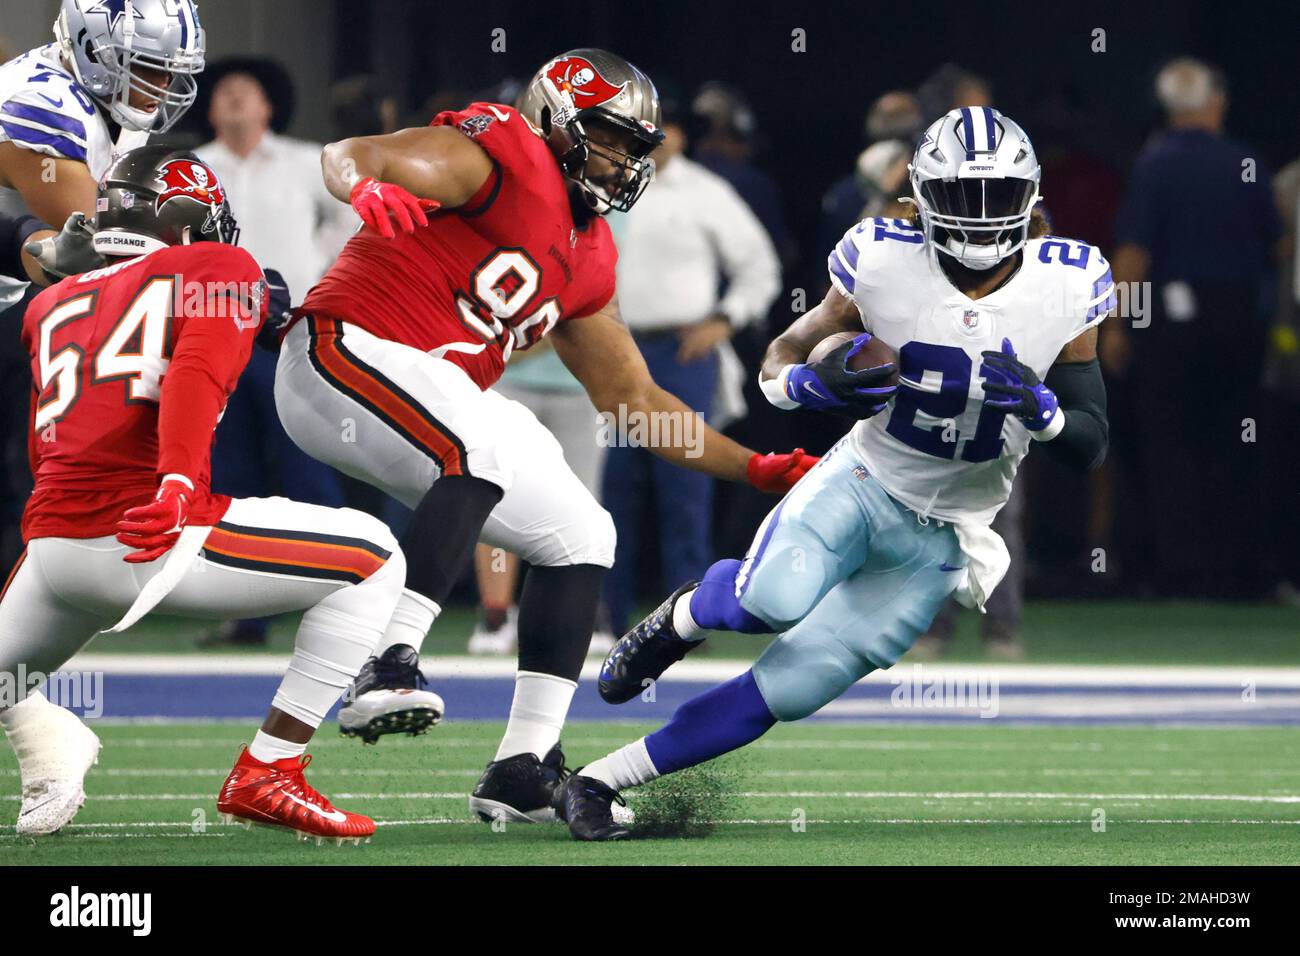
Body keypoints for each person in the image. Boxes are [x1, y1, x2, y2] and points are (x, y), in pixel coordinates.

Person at [272, 49, 815, 823]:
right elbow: (351, 153)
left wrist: (752, 466)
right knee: (481, 445)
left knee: (582, 533)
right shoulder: (499, 152)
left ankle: (522, 765)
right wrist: (363, 187)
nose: (626, 160)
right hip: (340, 350)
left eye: (636, 146)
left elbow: (633, 398)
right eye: (611, 137)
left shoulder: (589, 251)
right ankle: (384, 661)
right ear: (556, 121)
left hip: (430, 399)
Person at [559, 108, 1113, 840]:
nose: (979, 218)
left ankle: (600, 780)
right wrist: (806, 389)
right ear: (919, 196)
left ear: (1030, 197)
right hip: (864, 481)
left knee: (792, 685)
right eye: (961, 196)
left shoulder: (1069, 282)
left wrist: (1045, 416)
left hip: (947, 539)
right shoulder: (881, 257)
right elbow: (779, 359)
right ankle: (683, 616)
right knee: (774, 598)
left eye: (995, 196)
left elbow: (1090, 441)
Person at [0, 146, 410, 841]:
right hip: (151, 536)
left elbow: (58, 438)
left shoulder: (51, 302)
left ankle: (50, 757)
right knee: (375, 556)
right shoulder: (219, 266)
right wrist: (179, 481)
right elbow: (194, 373)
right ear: (191, 226)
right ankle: (270, 767)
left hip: (52, 551)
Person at [0, 0, 205, 832]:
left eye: (169, 74)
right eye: (148, 69)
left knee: (40, 536)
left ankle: (41, 730)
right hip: (27, 334)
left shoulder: (77, 102)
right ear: (92, 49)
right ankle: (42, 731)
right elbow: (97, 247)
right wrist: (221, 277)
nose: (159, 92)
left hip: (30, 336)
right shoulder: (41, 101)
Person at [1103, 58, 1281, 598]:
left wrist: (1119, 323)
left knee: (1170, 445)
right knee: (1236, 440)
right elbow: (1279, 244)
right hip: (1239, 323)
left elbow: (1134, 254)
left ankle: (1180, 569)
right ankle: (1235, 569)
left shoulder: (1155, 164)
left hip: (1170, 329)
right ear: (1212, 102)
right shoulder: (1246, 161)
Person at [601, 101, 780, 636]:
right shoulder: (600, 181)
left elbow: (759, 267)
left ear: (678, 135)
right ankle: (604, 618)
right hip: (608, 349)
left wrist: (725, 319)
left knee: (685, 488)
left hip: (681, 353)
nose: (657, 137)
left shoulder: (706, 192)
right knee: (608, 489)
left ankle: (688, 623)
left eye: (666, 128)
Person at [195, 57, 353, 648]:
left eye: (248, 91)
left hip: (290, 333)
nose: (235, 98)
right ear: (210, 108)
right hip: (213, 335)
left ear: (268, 107)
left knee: (308, 462)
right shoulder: (193, 169)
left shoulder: (306, 161)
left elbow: (355, 218)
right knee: (229, 474)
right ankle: (248, 611)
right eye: (225, 92)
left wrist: (327, 278)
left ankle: (344, 597)